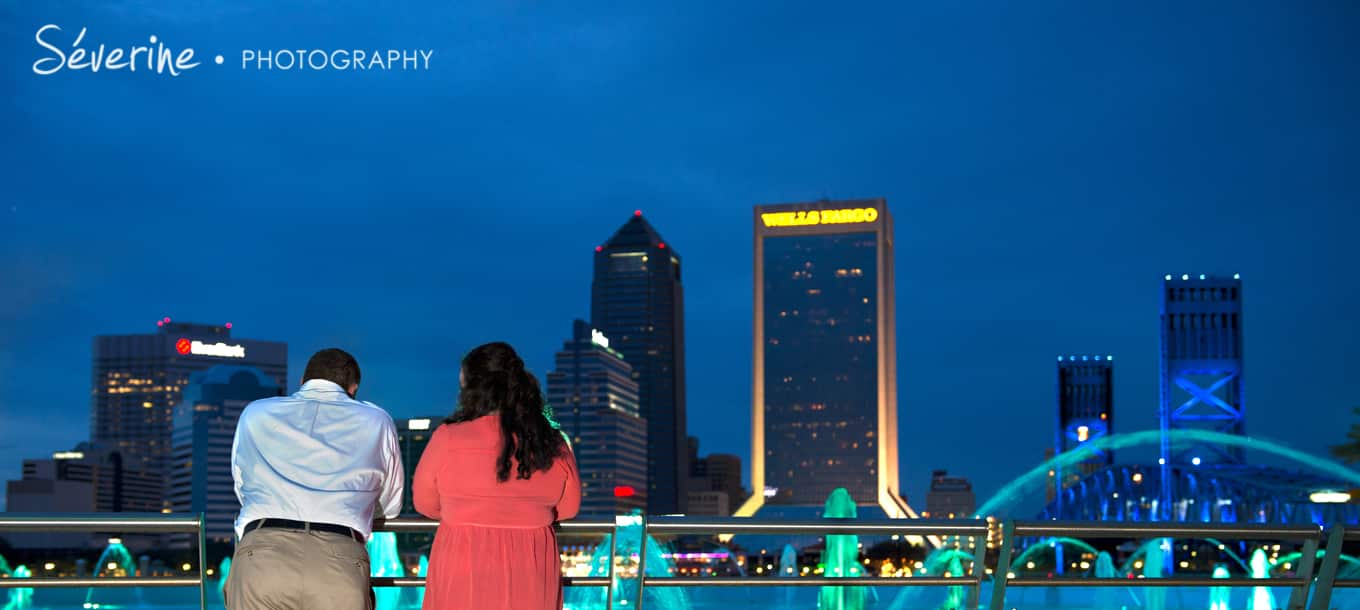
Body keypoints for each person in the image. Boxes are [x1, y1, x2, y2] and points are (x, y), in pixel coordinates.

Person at [226, 348, 404, 610]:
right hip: (339, 558)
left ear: (302, 382)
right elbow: (391, 506)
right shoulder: (377, 420)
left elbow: (242, 486)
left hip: (261, 553)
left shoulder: (256, 413)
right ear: (353, 388)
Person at [414, 342, 581, 610]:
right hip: (532, 562)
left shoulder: (447, 438)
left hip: (463, 558)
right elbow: (569, 507)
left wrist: (466, 510)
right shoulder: (551, 442)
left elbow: (424, 502)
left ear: (473, 390)